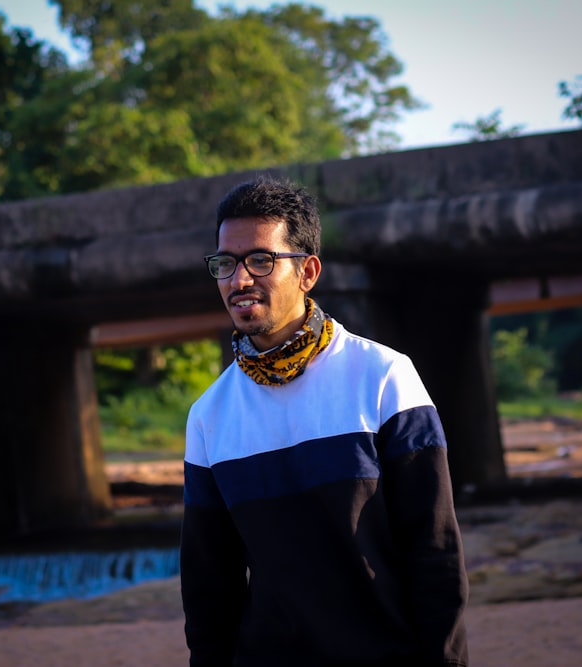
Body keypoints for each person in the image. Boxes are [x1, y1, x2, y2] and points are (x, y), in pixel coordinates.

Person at [180, 176, 469, 667]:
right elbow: (210, 588)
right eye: (225, 263)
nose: (239, 280)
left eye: (260, 260)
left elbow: (435, 551)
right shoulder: (210, 414)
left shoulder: (383, 377)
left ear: (308, 271)